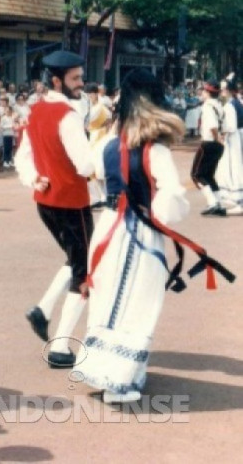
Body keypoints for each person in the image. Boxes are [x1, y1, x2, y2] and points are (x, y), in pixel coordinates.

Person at [77, 68, 233, 403]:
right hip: (140, 233)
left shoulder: (106, 143)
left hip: (107, 226)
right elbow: (170, 200)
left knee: (107, 298)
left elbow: (89, 171)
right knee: (138, 302)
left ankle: (104, 370)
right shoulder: (155, 151)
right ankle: (121, 380)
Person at [15, 50, 94, 368]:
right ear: (57, 80)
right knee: (85, 272)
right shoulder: (68, 115)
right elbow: (86, 163)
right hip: (72, 203)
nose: (81, 83)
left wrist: (33, 178)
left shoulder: (36, 111)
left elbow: (22, 156)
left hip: (45, 202)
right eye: (75, 78)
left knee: (76, 259)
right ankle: (61, 347)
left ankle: (43, 311)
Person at [190, 80, 226, 216]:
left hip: (209, 142)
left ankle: (213, 203)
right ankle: (219, 203)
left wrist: (216, 137)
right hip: (217, 145)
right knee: (209, 175)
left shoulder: (208, 106)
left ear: (207, 92)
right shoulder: (220, 105)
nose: (202, 93)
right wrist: (220, 140)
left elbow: (212, 126)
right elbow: (225, 126)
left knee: (196, 175)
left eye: (203, 91)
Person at [215, 80, 243, 214]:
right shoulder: (236, 103)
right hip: (238, 135)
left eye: (224, 89)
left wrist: (221, 135)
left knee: (234, 166)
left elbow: (230, 126)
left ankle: (238, 197)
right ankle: (234, 196)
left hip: (234, 138)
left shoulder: (231, 105)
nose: (222, 91)